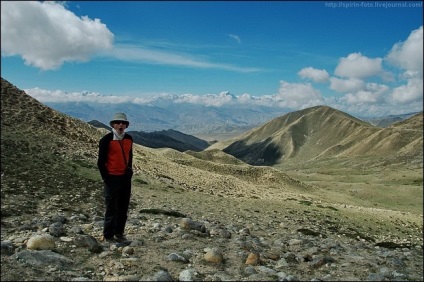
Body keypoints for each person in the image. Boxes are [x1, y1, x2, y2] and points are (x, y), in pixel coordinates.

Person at [97, 112, 134, 243]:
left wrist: (129, 170)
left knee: (123, 208)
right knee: (111, 208)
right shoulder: (106, 140)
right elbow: (101, 162)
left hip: (125, 178)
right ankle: (108, 235)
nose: (121, 125)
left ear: (126, 126)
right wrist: (106, 178)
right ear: (113, 124)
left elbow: (130, 157)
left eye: (123, 123)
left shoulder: (129, 139)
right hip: (111, 178)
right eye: (118, 122)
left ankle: (119, 233)